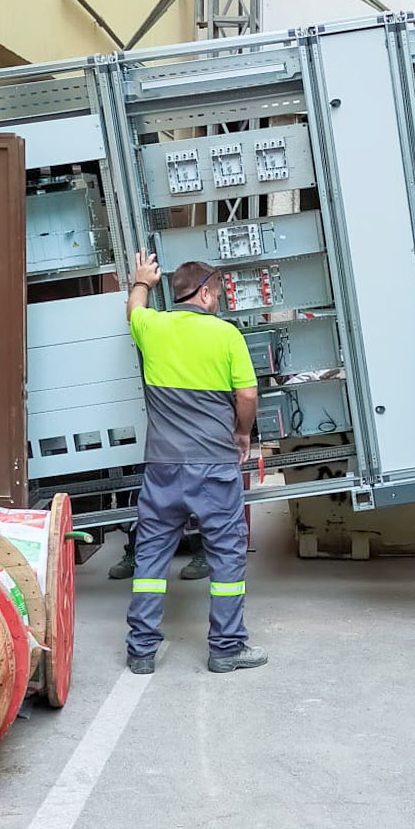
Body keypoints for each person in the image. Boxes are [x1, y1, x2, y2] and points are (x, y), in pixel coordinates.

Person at [124, 253, 267, 675]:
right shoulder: (226, 336)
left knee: (150, 558)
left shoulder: (152, 328)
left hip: (163, 466)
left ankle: (141, 652)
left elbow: (134, 310)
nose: (219, 301)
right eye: (218, 294)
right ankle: (225, 649)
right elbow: (247, 396)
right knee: (226, 559)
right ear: (205, 293)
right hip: (214, 467)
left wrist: (142, 281)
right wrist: (242, 434)